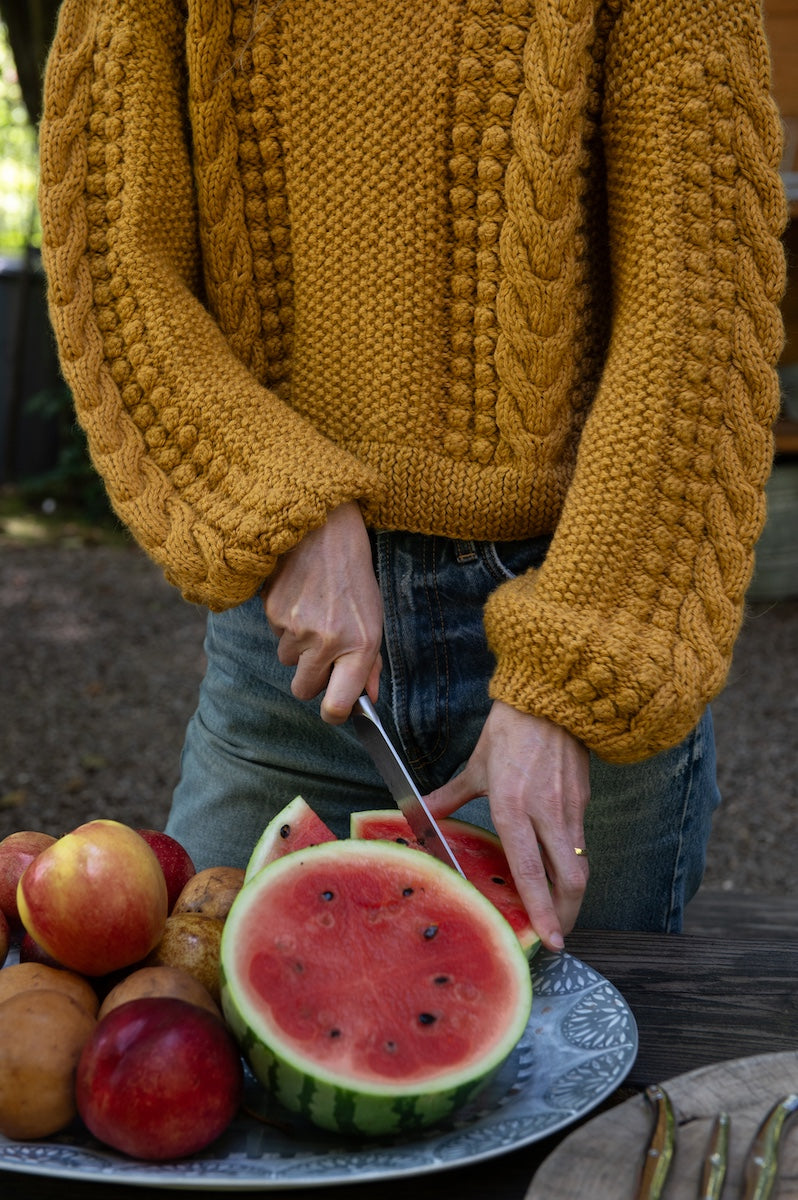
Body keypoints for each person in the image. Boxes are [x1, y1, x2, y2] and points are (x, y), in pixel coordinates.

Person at [38, 0, 786, 952]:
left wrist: (580, 668)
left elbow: (702, 304)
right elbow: (111, 256)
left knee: (585, 1038)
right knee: (212, 1012)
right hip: (291, 653)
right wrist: (284, 506)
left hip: (578, 607)